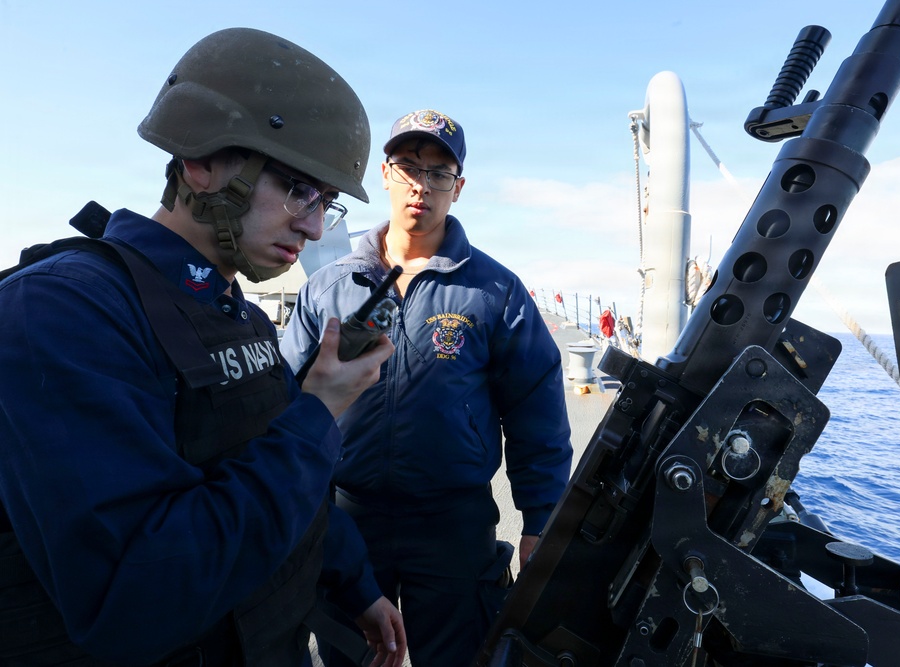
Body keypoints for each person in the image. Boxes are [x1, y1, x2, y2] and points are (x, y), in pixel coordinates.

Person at [0, 28, 407, 667]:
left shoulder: (232, 314)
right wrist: (318, 408)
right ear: (201, 162)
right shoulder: (63, 311)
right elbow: (135, 594)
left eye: (324, 202)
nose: (311, 224)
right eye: (298, 188)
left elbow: (265, 468)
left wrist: (355, 584)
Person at [280, 109, 573, 666]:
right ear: (386, 176)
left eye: (439, 172)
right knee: (349, 655)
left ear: (458, 189)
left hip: (453, 525)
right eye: (408, 167)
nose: (422, 184)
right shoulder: (328, 288)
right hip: (347, 517)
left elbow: (535, 409)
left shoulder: (495, 291)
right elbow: (284, 402)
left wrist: (541, 519)